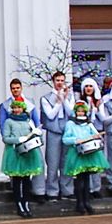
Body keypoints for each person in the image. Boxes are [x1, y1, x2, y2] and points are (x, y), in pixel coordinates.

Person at [0, 78, 44, 202]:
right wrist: (9, 139)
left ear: (21, 88)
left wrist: (37, 135)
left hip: (29, 141)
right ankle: (18, 197)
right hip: (15, 142)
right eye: (13, 88)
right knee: (16, 171)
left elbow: (36, 121)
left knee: (33, 167)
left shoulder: (30, 103)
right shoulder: (5, 105)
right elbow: (2, 124)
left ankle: (36, 193)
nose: (15, 90)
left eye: (17, 88)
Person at [62, 102, 108, 215]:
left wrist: (97, 137)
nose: (81, 113)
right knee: (79, 180)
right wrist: (76, 140)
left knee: (87, 180)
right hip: (77, 154)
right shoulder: (70, 124)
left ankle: (87, 202)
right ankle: (80, 203)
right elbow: (65, 139)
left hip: (89, 154)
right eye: (79, 111)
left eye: (82, 111)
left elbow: (97, 135)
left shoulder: (89, 124)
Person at [1, 99, 43, 218]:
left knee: (26, 180)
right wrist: (18, 140)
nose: (16, 110)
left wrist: (36, 134)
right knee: (17, 181)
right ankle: (19, 204)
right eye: (14, 108)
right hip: (15, 153)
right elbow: (5, 138)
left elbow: (35, 135)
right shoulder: (9, 121)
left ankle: (26, 203)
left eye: (19, 108)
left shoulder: (28, 121)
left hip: (27, 153)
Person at [40, 71, 75, 202]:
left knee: (66, 162)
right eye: (57, 80)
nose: (60, 83)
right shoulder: (46, 98)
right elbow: (50, 115)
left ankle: (67, 190)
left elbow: (71, 113)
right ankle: (52, 191)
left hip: (66, 131)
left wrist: (64, 99)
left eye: (62, 81)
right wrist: (58, 102)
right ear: (53, 82)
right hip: (53, 131)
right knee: (53, 162)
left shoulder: (70, 96)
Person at [75, 77, 103, 196]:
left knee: (95, 161)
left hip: (96, 132)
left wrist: (96, 109)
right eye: (86, 86)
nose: (88, 88)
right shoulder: (80, 102)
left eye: (90, 86)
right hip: (84, 135)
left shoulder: (98, 101)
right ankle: (88, 189)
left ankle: (96, 188)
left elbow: (103, 119)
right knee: (85, 162)